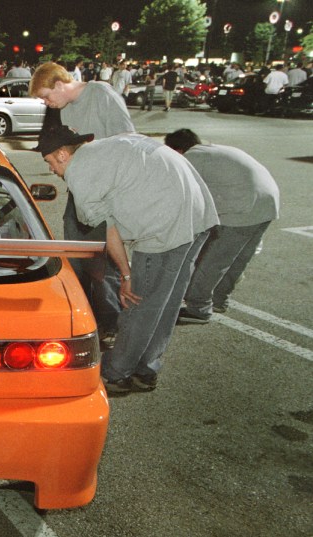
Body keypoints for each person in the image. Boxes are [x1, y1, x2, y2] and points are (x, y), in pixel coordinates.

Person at [38, 126, 218, 395]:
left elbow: (108, 230)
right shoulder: (107, 147)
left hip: (165, 226)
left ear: (63, 154)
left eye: (50, 161)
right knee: (165, 303)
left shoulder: (80, 173)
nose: (51, 169)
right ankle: (146, 370)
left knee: (139, 302)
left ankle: (117, 372)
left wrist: (126, 275)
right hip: (198, 213)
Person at [30, 62, 135, 347]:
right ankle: (82, 317)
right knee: (76, 258)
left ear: (60, 84)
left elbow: (129, 141)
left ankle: (111, 325)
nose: (46, 103)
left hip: (107, 190)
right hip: (82, 188)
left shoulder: (102, 94)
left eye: (46, 96)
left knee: (105, 261)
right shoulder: (65, 108)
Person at [164, 129, 280, 323]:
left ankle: (198, 308)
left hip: (242, 208)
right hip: (267, 202)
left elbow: (184, 197)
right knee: (238, 259)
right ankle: (219, 299)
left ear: (177, 150)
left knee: (213, 260)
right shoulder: (213, 150)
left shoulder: (191, 158)